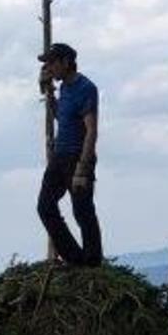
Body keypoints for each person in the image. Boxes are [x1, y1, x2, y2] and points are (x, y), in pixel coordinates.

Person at [36, 41, 103, 266]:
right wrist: (49, 94)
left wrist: (82, 169)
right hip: (60, 155)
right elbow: (62, 118)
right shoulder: (64, 87)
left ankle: (92, 264)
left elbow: (91, 130)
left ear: (66, 62)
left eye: (52, 63)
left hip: (77, 156)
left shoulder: (86, 88)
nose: (49, 68)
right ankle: (75, 259)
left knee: (82, 212)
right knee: (45, 206)